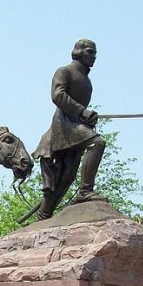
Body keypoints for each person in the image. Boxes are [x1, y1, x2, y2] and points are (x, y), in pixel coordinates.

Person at [32, 38, 107, 220]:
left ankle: (44, 214)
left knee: (66, 176)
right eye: (90, 52)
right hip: (64, 124)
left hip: (75, 125)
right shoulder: (64, 71)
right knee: (97, 143)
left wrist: (88, 119)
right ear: (78, 51)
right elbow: (58, 95)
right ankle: (85, 191)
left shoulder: (86, 80)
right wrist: (82, 112)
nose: (94, 57)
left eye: (95, 53)